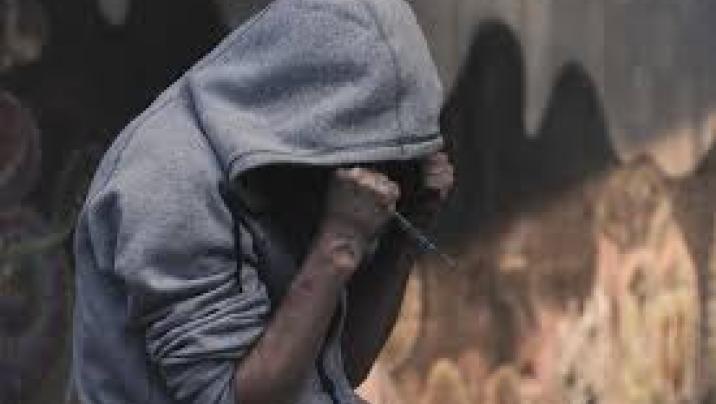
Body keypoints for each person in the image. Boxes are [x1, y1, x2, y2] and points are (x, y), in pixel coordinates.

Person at [71, 0, 453, 403]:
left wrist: (401, 241)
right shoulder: (170, 181)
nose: (375, 174)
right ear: (315, 107)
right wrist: (340, 242)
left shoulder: (290, 165)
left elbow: (338, 370)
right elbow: (228, 398)